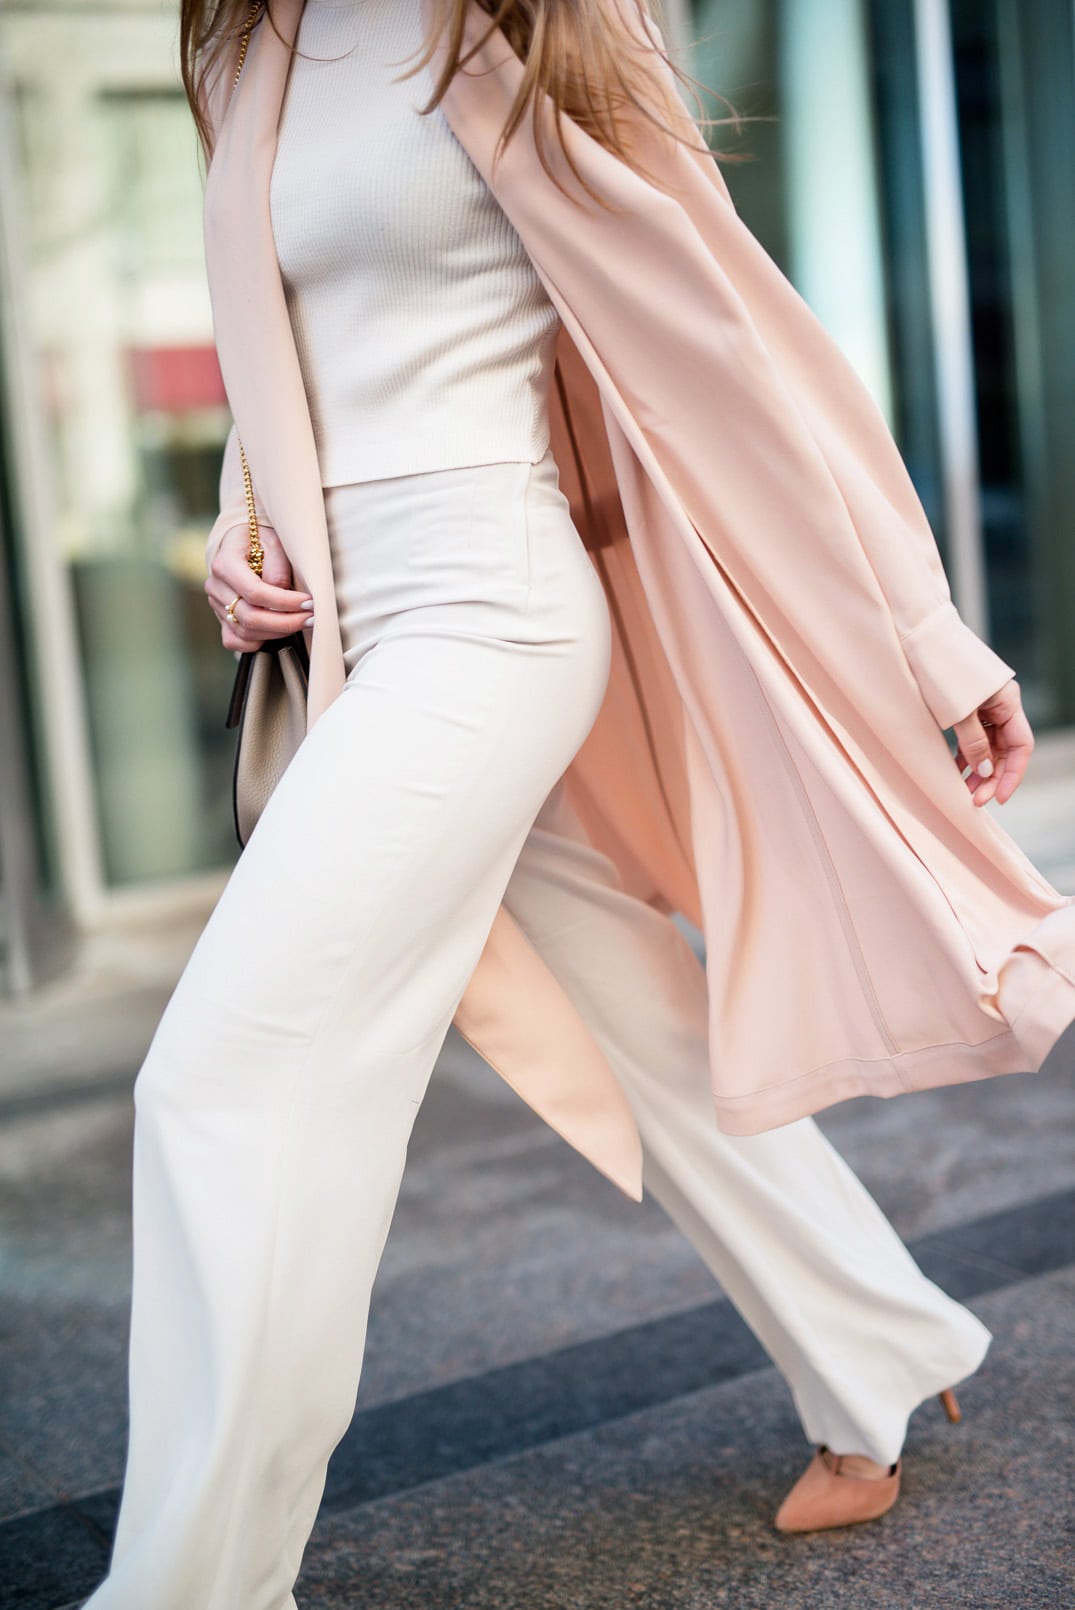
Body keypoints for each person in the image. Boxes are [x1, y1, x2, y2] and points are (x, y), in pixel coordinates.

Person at [83, 1, 1073, 1605]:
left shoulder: (534, 21)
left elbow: (734, 334)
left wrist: (920, 625)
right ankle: (880, 1344)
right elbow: (297, 335)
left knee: (225, 1078)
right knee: (633, 1022)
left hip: (494, 610)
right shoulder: (251, 36)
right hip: (365, 631)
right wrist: (240, 513)